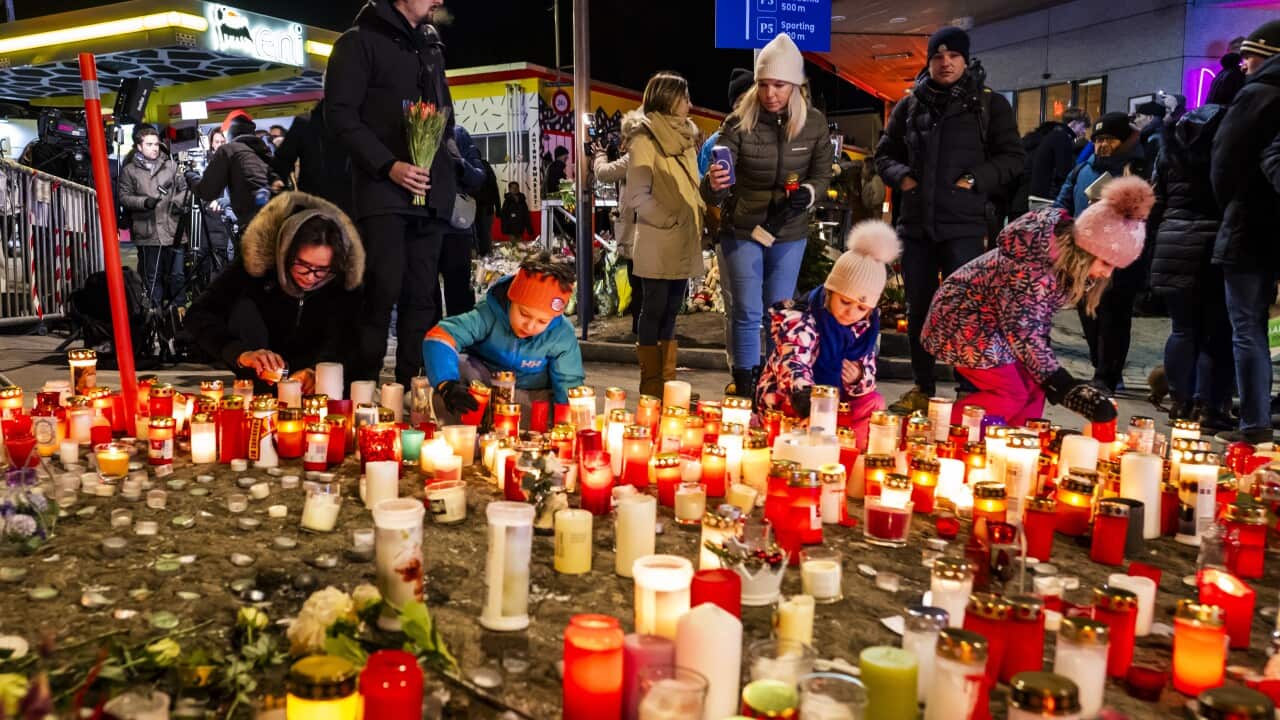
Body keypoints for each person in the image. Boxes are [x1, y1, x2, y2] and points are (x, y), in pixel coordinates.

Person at [922, 177, 1155, 427]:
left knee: (1035, 386)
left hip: (995, 325)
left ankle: (1018, 443)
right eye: (1106, 263)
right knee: (1010, 393)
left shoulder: (1060, 264)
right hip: (962, 321)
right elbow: (1023, 331)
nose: (1108, 274)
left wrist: (1050, 378)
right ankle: (942, 432)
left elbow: (1036, 322)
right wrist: (1063, 384)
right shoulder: (1032, 269)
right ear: (1087, 250)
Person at [874, 26, 1025, 414]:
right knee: (918, 308)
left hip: (966, 226)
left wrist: (975, 179)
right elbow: (884, 154)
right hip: (917, 227)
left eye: (953, 56)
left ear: (965, 59)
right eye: (938, 57)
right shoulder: (910, 107)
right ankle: (922, 387)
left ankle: (968, 390)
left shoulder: (990, 106)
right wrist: (902, 178)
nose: (945, 63)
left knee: (966, 310)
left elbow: (1012, 159)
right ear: (928, 61)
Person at [325, 0, 457, 385]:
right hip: (382, 195)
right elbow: (340, 116)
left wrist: (453, 165)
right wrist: (389, 166)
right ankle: (364, 391)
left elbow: (444, 116)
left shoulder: (432, 47)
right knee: (380, 293)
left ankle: (411, 390)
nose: (439, 1)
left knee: (423, 299)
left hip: (430, 196)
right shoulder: (358, 42)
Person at [702, 33, 834, 396]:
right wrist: (715, 182)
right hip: (743, 228)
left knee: (778, 312)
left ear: (795, 85)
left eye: (779, 85)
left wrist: (807, 193)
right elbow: (713, 187)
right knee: (746, 311)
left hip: (789, 230)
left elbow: (822, 174)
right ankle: (745, 384)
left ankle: (775, 381)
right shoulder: (737, 122)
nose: (770, 93)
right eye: (764, 84)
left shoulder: (814, 124)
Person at [184, 192, 364, 394]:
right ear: (285, 254)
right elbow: (198, 315)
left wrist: (318, 370)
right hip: (260, 381)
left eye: (322, 269)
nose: (311, 277)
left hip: (317, 390)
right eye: (303, 265)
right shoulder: (255, 267)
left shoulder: (343, 280)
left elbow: (350, 339)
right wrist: (241, 353)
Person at [756, 220, 900, 448]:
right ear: (830, 291)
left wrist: (858, 377)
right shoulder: (802, 320)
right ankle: (798, 444)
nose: (851, 312)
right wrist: (809, 404)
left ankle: (851, 448)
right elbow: (793, 364)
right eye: (844, 301)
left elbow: (869, 372)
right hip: (795, 397)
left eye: (861, 308)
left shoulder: (863, 330)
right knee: (790, 409)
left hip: (836, 401)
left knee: (874, 401)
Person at [1150, 78, 1240, 431]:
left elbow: (1156, 199)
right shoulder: (1226, 145)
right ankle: (1204, 403)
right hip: (1212, 242)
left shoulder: (1171, 146)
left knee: (1182, 329)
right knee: (1213, 332)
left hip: (1172, 241)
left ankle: (1179, 402)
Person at [1211, 20, 1280, 443]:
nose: (1244, 65)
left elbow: (1226, 159)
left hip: (1252, 226)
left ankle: (1254, 424)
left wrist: (1232, 206)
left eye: (1249, 56)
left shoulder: (1257, 95)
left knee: (1248, 326)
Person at [424, 253, 585, 425]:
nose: (530, 326)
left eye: (542, 321)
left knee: (563, 406)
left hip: (529, 398)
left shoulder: (561, 335)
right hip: (484, 394)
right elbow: (441, 336)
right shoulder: (488, 315)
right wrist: (447, 385)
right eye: (524, 314)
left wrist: (567, 426)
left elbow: (569, 383)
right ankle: (469, 429)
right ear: (511, 299)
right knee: (459, 368)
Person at [626, 71, 706, 396]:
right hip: (659, 238)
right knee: (654, 308)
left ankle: (667, 381)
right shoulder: (644, 140)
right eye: (684, 97)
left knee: (673, 310)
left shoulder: (687, 139)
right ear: (668, 99)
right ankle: (651, 384)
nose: (690, 104)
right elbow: (637, 195)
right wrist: (670, 219)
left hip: (684, 237)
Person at [1055, 112, 1144, 393]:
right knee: (1089, 314)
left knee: (1114, 317)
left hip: (1119, 258)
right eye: (1099, 140)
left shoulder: (1136, 170)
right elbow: (1062, 203)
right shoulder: (1082, 170)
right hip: (1084, 258)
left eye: (1110, 140)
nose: (1103, 146)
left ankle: (1108, 375)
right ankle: (1099, 367)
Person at [118, 124, 190, 307]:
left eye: (156, 144)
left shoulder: (171, 166)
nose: (154, 148)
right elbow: (124, 197)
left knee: (178, 276)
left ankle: (180, 313)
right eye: (149, 144)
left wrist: (177, 203)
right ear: (139, 146)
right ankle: (154, 317)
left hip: (173, 230)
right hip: (148, 231)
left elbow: (185, 189)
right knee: (152, 277)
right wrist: (143, 202)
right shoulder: (129, 170)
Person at [189, 111, 281, 240]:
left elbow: (207, 192)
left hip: (254, 225)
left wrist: (191, 177)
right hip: (277, 220)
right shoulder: (263, 151)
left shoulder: (229, 150)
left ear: (231, 133)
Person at [592, 109, 643, 333]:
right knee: (645, 282)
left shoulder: (637, 155)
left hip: (639, 230)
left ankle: (641, 327)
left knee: (639, 281)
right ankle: (646, 327)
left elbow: (603, 173)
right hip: (649, 228)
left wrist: (599, 154)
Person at [271, 100, 353, 216]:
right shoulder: (305, 123)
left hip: (332, 201)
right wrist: (277, 178)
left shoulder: (356, 121)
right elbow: (282, 160)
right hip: (319, 202)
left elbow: (282, 159)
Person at [439, 125, 486, 316]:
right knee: (421, 298)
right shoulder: (406, 128)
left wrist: (458, 161)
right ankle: (429, 344)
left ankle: (461, 342)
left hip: (455, 227)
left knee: (459, 296)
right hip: (419, 226)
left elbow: (478, 178)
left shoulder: (457, 134)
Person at [1015, 108, 1090, 214]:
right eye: (1083, 127)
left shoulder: (1053, 135)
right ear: (1074, 123)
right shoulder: (1062, 138)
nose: (1084, 131)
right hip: (1047, 199)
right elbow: (1064, 171)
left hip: (1037, 195)